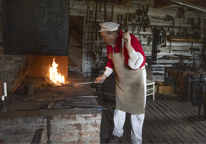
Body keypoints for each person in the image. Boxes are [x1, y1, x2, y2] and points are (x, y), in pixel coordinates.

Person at [95, 22, 147, 144]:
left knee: (137, 112)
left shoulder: (130, 40)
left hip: (135, 79)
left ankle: (136, 140)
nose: (103, 39)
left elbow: (137, 64)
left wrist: (128, 46)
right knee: (120, 108)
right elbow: (111, 60)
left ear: (113, 34)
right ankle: (117, 134)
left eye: (104, 37)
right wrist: (105, 75)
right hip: (122, 79)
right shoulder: (110, 43)